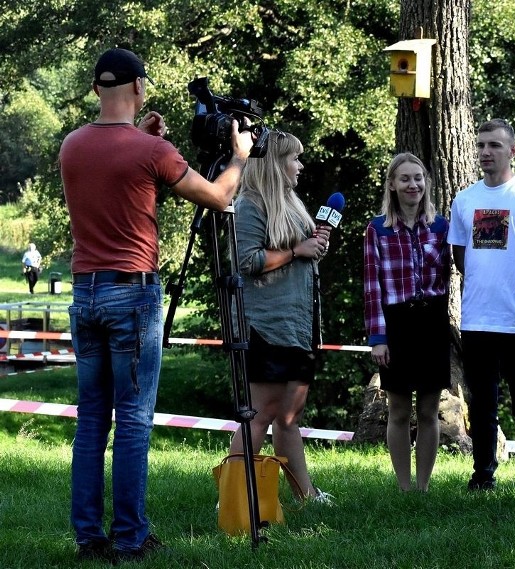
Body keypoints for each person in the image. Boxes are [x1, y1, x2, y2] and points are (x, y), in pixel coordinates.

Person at [60, 47, 253, 563]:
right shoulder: (152, 153)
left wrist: (145, 138)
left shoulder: (72, 145)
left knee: (92, 418)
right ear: (140, 88)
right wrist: (239, 156)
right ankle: (130, 537)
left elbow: (113, 168)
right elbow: (217, 196)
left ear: (97, 89)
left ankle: (88, 536)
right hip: (133, 292)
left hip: (85, 292)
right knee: (135, 420)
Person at [448, 118, 515, 492]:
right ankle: (483, 475)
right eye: (480, 145)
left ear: (513, 150)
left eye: (494, 145)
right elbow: (461, 258)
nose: (485, 152)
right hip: (478, 320)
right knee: (481, 406)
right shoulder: (465, 200)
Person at [226, 130, 331, 503]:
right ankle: (234, 499)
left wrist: (313, 247)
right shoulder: (250, 205)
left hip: (297, 326)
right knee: (260, 414)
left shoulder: (291, 202)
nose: (300, 166)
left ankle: (306, 496)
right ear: (273, 164)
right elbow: (248, 262)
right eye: (294, 159)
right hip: (266, 327)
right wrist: (297, 251)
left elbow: (298, 252)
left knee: (289, 416)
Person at [363, 152, 451, 492]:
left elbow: (450, 272)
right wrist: (378, 337)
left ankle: (423, 487)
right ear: (392, 185)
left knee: (429, 409)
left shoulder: (440, 226)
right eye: (405, 179)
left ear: (425, 183)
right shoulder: (377, 229)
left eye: (418, 178)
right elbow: (372, 286)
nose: (413, 184)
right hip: (396, 322)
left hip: (432, 321)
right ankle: (404, 486)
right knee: (398, 409)